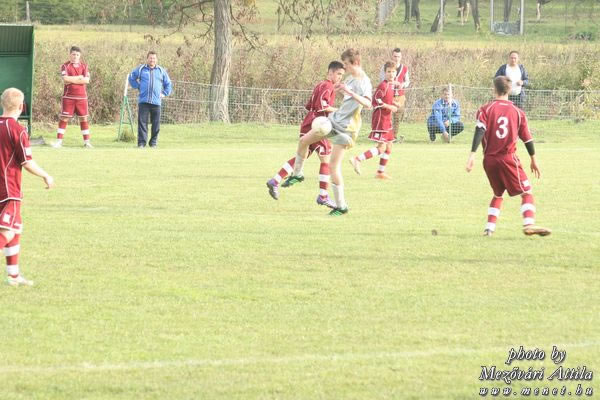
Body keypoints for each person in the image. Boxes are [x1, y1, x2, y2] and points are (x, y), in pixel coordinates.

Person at [284, 48, 372, 216]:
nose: (344, 68)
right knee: (303, 141)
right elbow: (347, 98)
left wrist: (349, 92)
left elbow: (368, 104)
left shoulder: (364, 82)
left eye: (346, 64)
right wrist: (340, 89)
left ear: (356, 63)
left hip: (347, 129)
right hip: (334, 120)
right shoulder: (350, 78)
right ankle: (298, 174)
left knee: (333, 166)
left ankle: (341, 206)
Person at [466, 76, 551, 237]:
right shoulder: (518, 112)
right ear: (509, 90)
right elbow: (527, 138)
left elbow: (480, 130)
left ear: (494, 89)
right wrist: (533, 159)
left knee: (498, 194)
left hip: (489, 160)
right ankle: (529, 224)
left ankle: (489, 229)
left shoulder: (485, 109)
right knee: (527, 192)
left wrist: (472, 155)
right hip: (508, 158)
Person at [266, 61, 345, 208]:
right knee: (326, 159)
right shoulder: (328, 86)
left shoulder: (320, 85)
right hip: (318, 125)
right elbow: (323, 107)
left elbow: (309, 105)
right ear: (330, 73)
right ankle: (323, 196)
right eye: (339, 74)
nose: (340, 77)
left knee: (302, 156)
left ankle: (275, 180)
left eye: (342, 75)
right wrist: (339, 111)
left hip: (309, 122)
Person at [0, 88, 54, 286]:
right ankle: (13, 276)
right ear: (22, 107)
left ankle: (13, 276)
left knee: (16, 228)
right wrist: (45, 175)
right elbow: (27, 162)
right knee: (7, 232)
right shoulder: (18, 130)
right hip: (9, 190)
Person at [350, 61, 398, 180]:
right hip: (380, 120)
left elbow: (386, 99)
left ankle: (380, 172)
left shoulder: (391, 85)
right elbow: (376, 100)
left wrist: (394, 103)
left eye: (393, 72)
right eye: (388, 72)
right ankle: (357, 159)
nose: (391, 74)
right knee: (381, 147)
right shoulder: (383, 85)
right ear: (384, 73)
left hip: (387, 120)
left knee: (389, 145)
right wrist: (390, 106)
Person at [128, 51, 173, 148]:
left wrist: (164, 93)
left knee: (156, 125)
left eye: (154, 58)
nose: (152, 60)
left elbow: (168, 84)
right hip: (143, 101)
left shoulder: (161, 71)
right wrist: (138, 86)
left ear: (156, 59)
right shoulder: (141, 69)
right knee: (142, 123)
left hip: (156, 102)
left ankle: (153, 143)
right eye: (150, 58)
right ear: (147, 59)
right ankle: (141, 143)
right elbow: (131, 77)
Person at [53, 46, 92, 148]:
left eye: (77, 55)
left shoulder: (84, 66)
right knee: (64, 118)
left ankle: (87, 142)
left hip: (82, 97)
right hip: (68, 97)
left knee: (83, 119)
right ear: (70, 55)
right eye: (73, 54)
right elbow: (65, 79)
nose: (75, 56)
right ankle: (59, 142)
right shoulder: (65, 66)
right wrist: (79, 77)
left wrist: (72, 80)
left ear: (80, 55)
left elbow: (86, 80)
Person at [379, 48, 409, 141]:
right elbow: (382, 79)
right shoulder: (385, 67)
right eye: (395, 56)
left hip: (400, 95)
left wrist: (403, 84)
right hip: (389, 94)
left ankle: (394, 136)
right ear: (392, 56)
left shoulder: (404, 68)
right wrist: (392, 83)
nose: (396, 58)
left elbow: (407, 81)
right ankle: (384, 134)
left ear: (401, 57)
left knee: (397, 117)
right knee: (386, 115)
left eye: (398, 56)